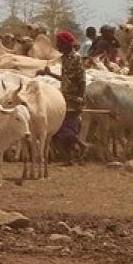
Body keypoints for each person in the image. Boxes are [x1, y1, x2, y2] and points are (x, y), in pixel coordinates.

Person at [53, 30, 87, 164]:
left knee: (64, 129)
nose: (57, 46)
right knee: (64, 129)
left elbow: (82, 79)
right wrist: (49, 74)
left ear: (66, 44)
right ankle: (69, 158)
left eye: (59, 43)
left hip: (74, 99)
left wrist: (82, 97)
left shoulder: (76, 58)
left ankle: (83, 145)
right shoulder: (65, 58)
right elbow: (66, 79)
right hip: (64, 98)